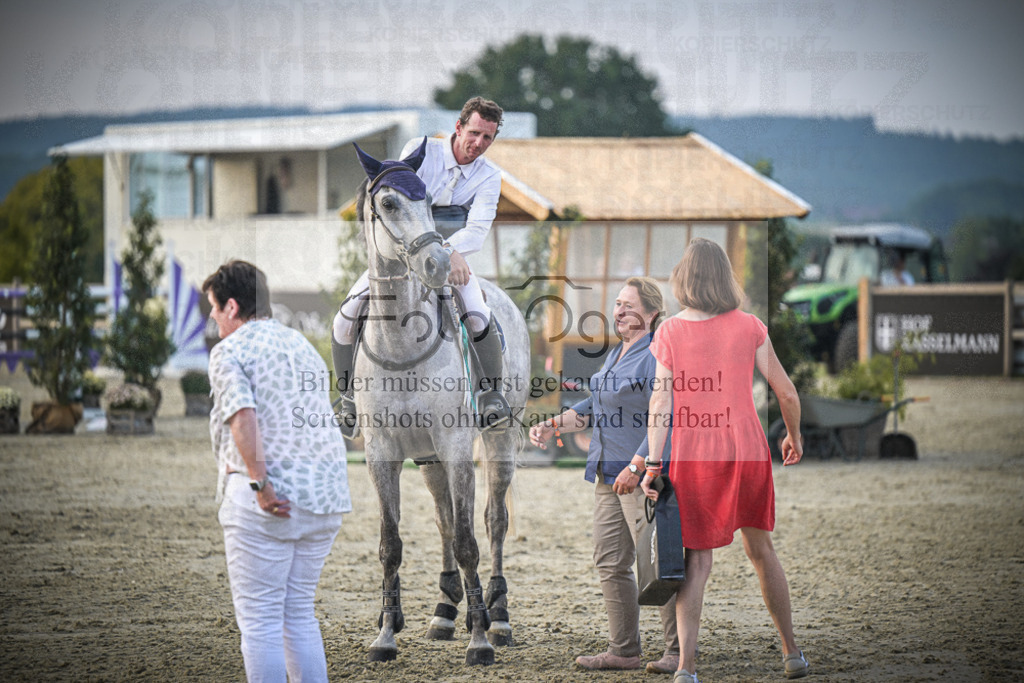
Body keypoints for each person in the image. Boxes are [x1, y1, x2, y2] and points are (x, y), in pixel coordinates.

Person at [640, 238, 809, 683]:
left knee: (697, 563)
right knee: (762, 551)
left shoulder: (671, 332)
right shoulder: (750, 326)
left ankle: (687, 669)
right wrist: (793, 435)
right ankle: (792, 653)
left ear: (684, 279)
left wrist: (653, 466)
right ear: (724, 278)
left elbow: (661, 402)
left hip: (696, 454)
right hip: (748, 450)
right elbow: (786, 392)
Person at [203, 260, 352, 682]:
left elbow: (242, 415)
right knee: (298, 615)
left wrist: (261, 483)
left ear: (232, 306)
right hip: (325, 497)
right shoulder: (300, 344)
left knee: (261, 623)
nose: (213, 316)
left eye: (215, 307)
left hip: (272, 500)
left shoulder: (230, 351)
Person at [529, 277, 680, 674]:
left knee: (657, 565)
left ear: (651, 313)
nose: (620, 311)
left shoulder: (655, 354)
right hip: (604, 474)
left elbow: (665, 415)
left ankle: (677, 653)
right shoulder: (616, 353)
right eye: (617, 304)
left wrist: (637, 465)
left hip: (640, 477)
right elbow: (593, 406)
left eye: (630, 305)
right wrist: (553, 424)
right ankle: (624, 651)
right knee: (611, 562)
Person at [331, 96, 508, 434]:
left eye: (488, 137)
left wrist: (446, 251)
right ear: (458, 127)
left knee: (478, 312)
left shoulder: (490, 176)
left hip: (453, 260)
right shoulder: (419, 150)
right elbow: (393, 199)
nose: (479, 144)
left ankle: (491, 396)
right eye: (474, 133)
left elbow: (478, 230)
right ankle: (349, 400)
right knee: (343, 319)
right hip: (401, 258)